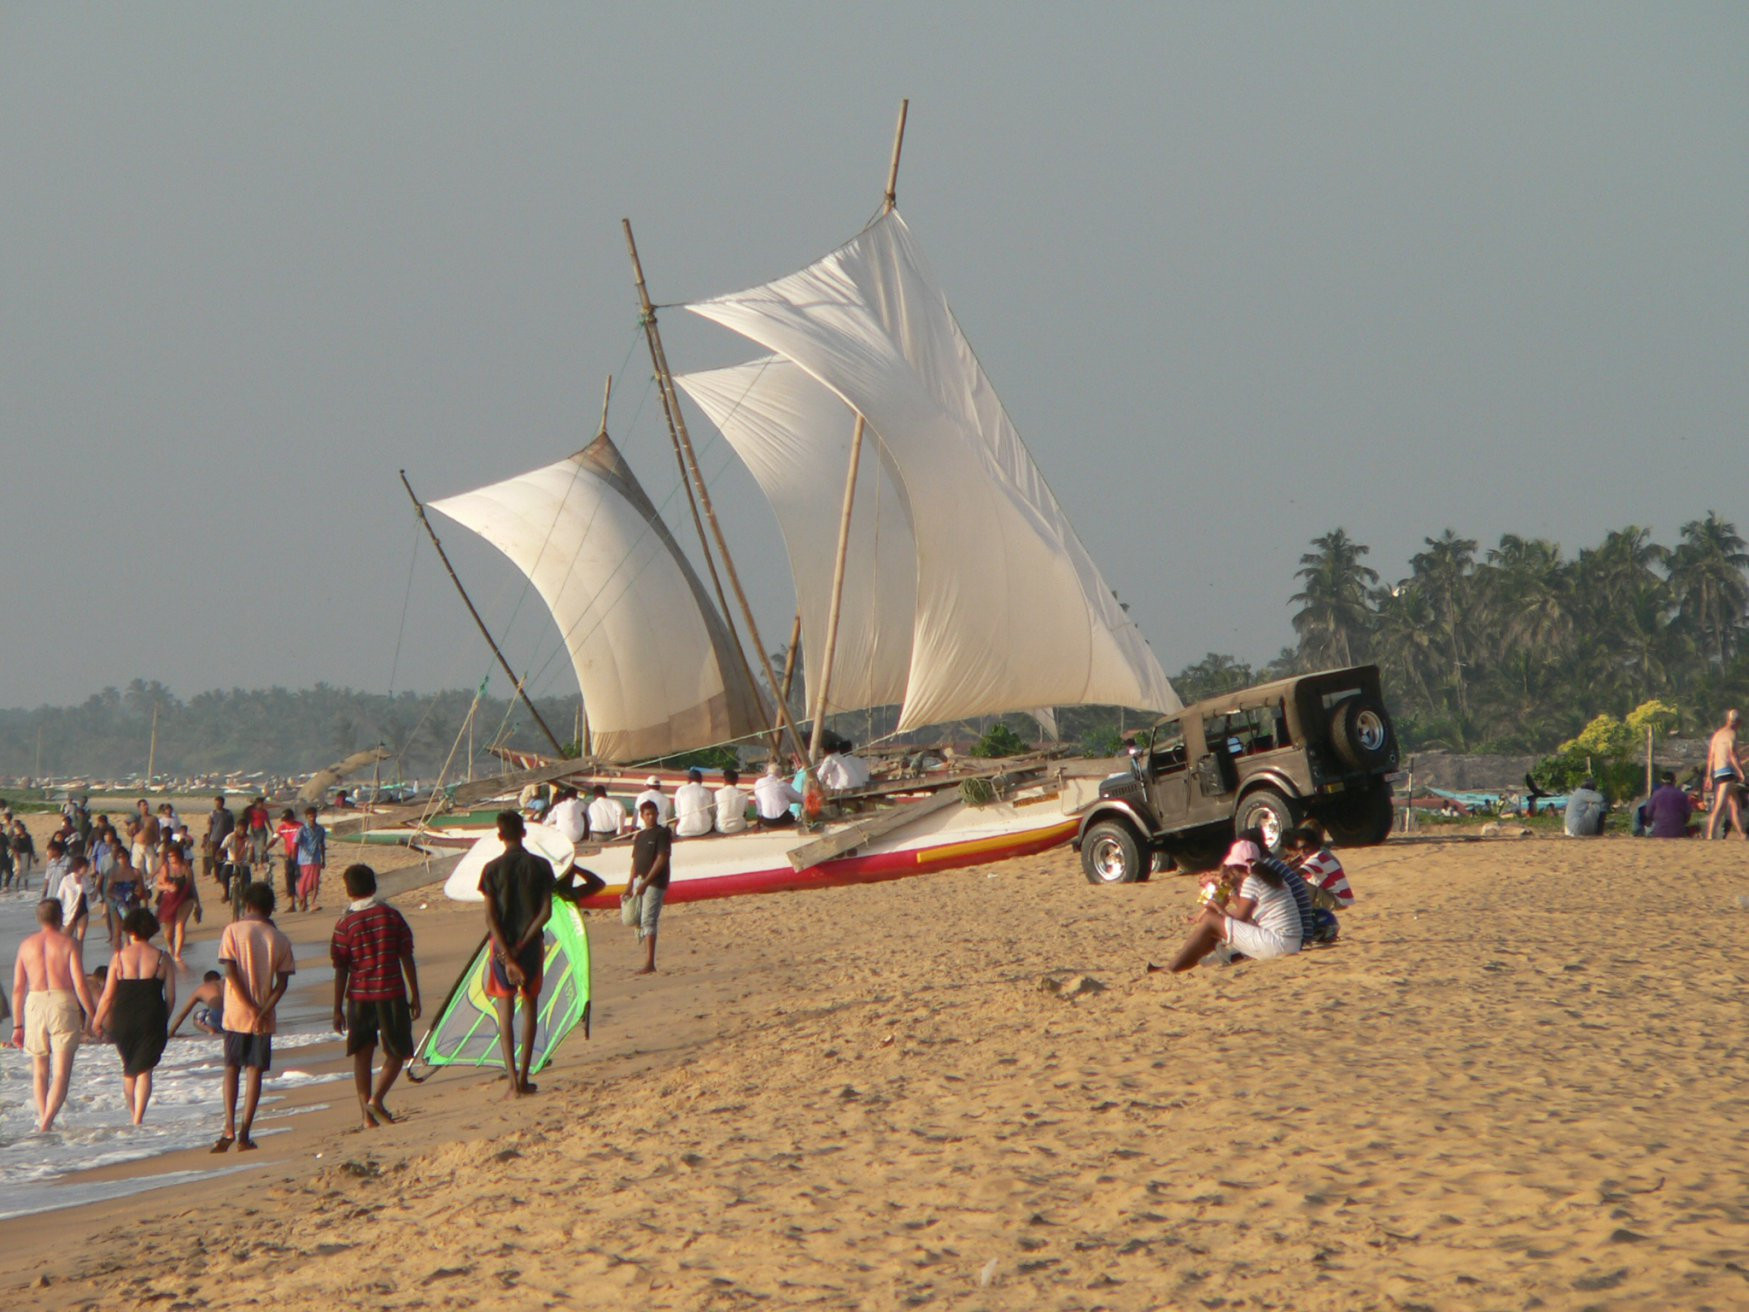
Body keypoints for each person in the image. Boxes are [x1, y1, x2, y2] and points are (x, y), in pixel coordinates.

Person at [330, 864, 421, 1129]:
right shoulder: (391, 916)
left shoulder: (345, 924)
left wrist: (337, 1008)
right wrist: (415, 993)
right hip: (391, 992)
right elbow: (406, 954)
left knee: (362, 1054)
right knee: (398, 1052)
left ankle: (366, 1115)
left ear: (349, 890)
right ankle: (376, 1099)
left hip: (359, 997)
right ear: (375, 885)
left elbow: (340, 968)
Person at [214, 881, 295, 1152]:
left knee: (231, 1069)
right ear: (270, 908)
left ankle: (228, 1125)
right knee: (255, 1073)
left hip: (236, 1012)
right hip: (264, 1014)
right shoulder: (280, 938)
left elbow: (231, 973)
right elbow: (282, 983)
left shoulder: (233, 931)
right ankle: (245, 1131)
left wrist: (248, 1007)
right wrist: (261, 1009)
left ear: (246, 905)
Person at [479, 811, 552, 1097]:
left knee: (504, 1012)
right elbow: (545, 912)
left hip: (500, 947)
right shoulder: (541, 866)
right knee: (530, 1008)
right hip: (531, 945)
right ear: (523, 832)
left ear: (500, 836)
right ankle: (524, 1077)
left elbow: (490, 918)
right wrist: (521, 947)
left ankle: (512, 1083)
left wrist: (507, 954)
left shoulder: (491, 869)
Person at [11, 899, 97, 1131]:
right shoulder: (69, 943)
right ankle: (47, 1121)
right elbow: (80, 984)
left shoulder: (26, 945)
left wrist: (17, 1025)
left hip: (35, 1003)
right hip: (62, 1000)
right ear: (61, 918)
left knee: (40, 1071)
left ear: (39, 919)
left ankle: (43, 1120)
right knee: (60, 1073)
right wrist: (93, 1014)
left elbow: (18, 987)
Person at [1158, 840, 1306, 973]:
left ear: (1235, 867)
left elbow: (1240, 918)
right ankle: (1181, 965)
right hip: (1290, 943)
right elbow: (1245, 912)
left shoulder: (1252, 881)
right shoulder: (1267, 877)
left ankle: (1172, 968)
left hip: (1278, 945)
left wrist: (1216, 907)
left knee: (1211, 921)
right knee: (1215, 926)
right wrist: (1228, 893)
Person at [94, 907, 175, 1125]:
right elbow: (171, 997)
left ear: (130, 930)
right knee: (145, 1069)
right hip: (152, 1015)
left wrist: (97, 1022)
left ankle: (133, 1115)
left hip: (123, 1018)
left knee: (129, 1068)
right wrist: (163, 1019)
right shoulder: (162, 958)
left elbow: (107, 996)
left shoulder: (119, 958)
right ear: (152, 930)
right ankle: (138, 1117)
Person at [1284, 826, 1352, 943]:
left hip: (1336, 900)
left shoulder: (1317, 859)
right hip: (1336, 897)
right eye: (1300, 849)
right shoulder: (1322, 853)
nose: (1302, 852)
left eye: (1306, 847)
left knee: (1297, 885)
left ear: (1315, 844)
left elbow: (1294, 875)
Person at [628, 799, 672, 974]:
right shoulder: (640, 836)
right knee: (638, 919)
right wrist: (629, 884)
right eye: (647, 814)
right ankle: (647, 960)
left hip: (654, 882)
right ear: (642, 816)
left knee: (648, 920)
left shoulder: (661, 834)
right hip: (640, 880)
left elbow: (661, 859)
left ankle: (650, 963)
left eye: (653, 814)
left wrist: (645, 883)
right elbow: (634, 862)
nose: (651, 817)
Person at [155, 846, 201, 966]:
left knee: (180, 925)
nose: (171, 858)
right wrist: (168, 887)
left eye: (173, 855)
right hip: (169, 901)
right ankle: (171, 947)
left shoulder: (186, 869)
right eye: (169, 856)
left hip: (186, 899)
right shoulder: (166, 868)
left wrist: (198, 904)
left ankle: (177, 954)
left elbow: (192, 886)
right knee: (168, 933)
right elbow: (158, 885)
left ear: (179, 856)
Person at [1707, 710, 1745, 840]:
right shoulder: (1732, 734)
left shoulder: (1717, 735)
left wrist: (1708, 776)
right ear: (1738, 722)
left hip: (1718, 772)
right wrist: (1741, 772)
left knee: (1735, 804)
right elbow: (1733, 755)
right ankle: (1710, 834)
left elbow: (1711, 757)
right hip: (1727, 772)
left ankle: (1742, 834)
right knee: (1721, 805)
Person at [54, 853, 100, 945]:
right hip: (70, 912)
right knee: (65, 940)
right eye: (85, 867)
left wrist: (98, 886)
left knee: (80, 940)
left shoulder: (86, 879)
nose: (87, 869)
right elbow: (59, 897)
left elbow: (92, 897)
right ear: (79, 867)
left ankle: (78, 958)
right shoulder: (66, 880)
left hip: (83, 911)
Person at [169, 970, 225, 1036]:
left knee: (197, 1017)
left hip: (215, 1021)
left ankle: (210, 1031)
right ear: (219, 978)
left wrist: (171, 1033)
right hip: (231, 1019)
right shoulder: (227, 983)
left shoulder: (201, 989)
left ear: (205, 982)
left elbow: (183, 1014)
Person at [295, 806, 327, 912]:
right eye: (310, 816)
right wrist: (295, 858)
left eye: (313, 816)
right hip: (304, 860)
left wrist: (323, 859)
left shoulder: (320, 829)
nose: (312, 818)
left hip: (316, 859)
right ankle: (303, 900)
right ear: (306, 817)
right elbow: (296, 843)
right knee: (305, 882)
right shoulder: (302, 830)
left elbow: (322, 844)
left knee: (315, 882)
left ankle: (313, 902)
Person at [1646, 770, 1694, 838]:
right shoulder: (1682, 795)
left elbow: (1648, 813)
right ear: (1674, 781)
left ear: (1661, 781)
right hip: (1678, 832)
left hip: (1659, 832)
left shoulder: (1656, 794)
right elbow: (1688, 815)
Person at [753, 762, 802, 829]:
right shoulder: (783, 784)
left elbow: (759, 804)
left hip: (766, 820)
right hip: (782, 819)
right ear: (779, 773)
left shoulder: (758, 782)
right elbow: (800, 798)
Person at [270, 808, 302, 905]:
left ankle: (302, 900)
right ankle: (292, 903)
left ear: (292, 818)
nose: (286, 821)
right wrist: (266, 848)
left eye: (287, 819)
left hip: (300, 856)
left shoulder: (300, 826)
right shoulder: (282, 828)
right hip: (288, 856)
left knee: (300, 878)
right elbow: (274, 839)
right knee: (289, 878)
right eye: (285, 820)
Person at [203, 794, 235, 891]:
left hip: (226, 839)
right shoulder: (212, 813)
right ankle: (217, 876)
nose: (217, 805)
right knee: (215, 858)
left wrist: (232, 837)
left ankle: (225, 875)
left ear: (223, 803)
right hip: (215, 839)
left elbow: (232, 825)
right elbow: (210, 825)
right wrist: (208, 838)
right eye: (216, 803)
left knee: (226, 857)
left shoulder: (228, 813)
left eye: (219, 803)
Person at [673, 768, 715, 839]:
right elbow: (710, 812)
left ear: (688, 780)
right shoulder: (707, 792)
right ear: (701, 780)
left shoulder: (681, 790)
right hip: (704, 829)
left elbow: (678, 813)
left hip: (683, 830)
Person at [714, 767, 749, 835]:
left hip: (721, 827)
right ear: (737, 780)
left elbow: (715, 812)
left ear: (724, 780)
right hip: (739, 826)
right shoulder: (744, 794)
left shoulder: (717, 793)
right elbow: (745, 812)